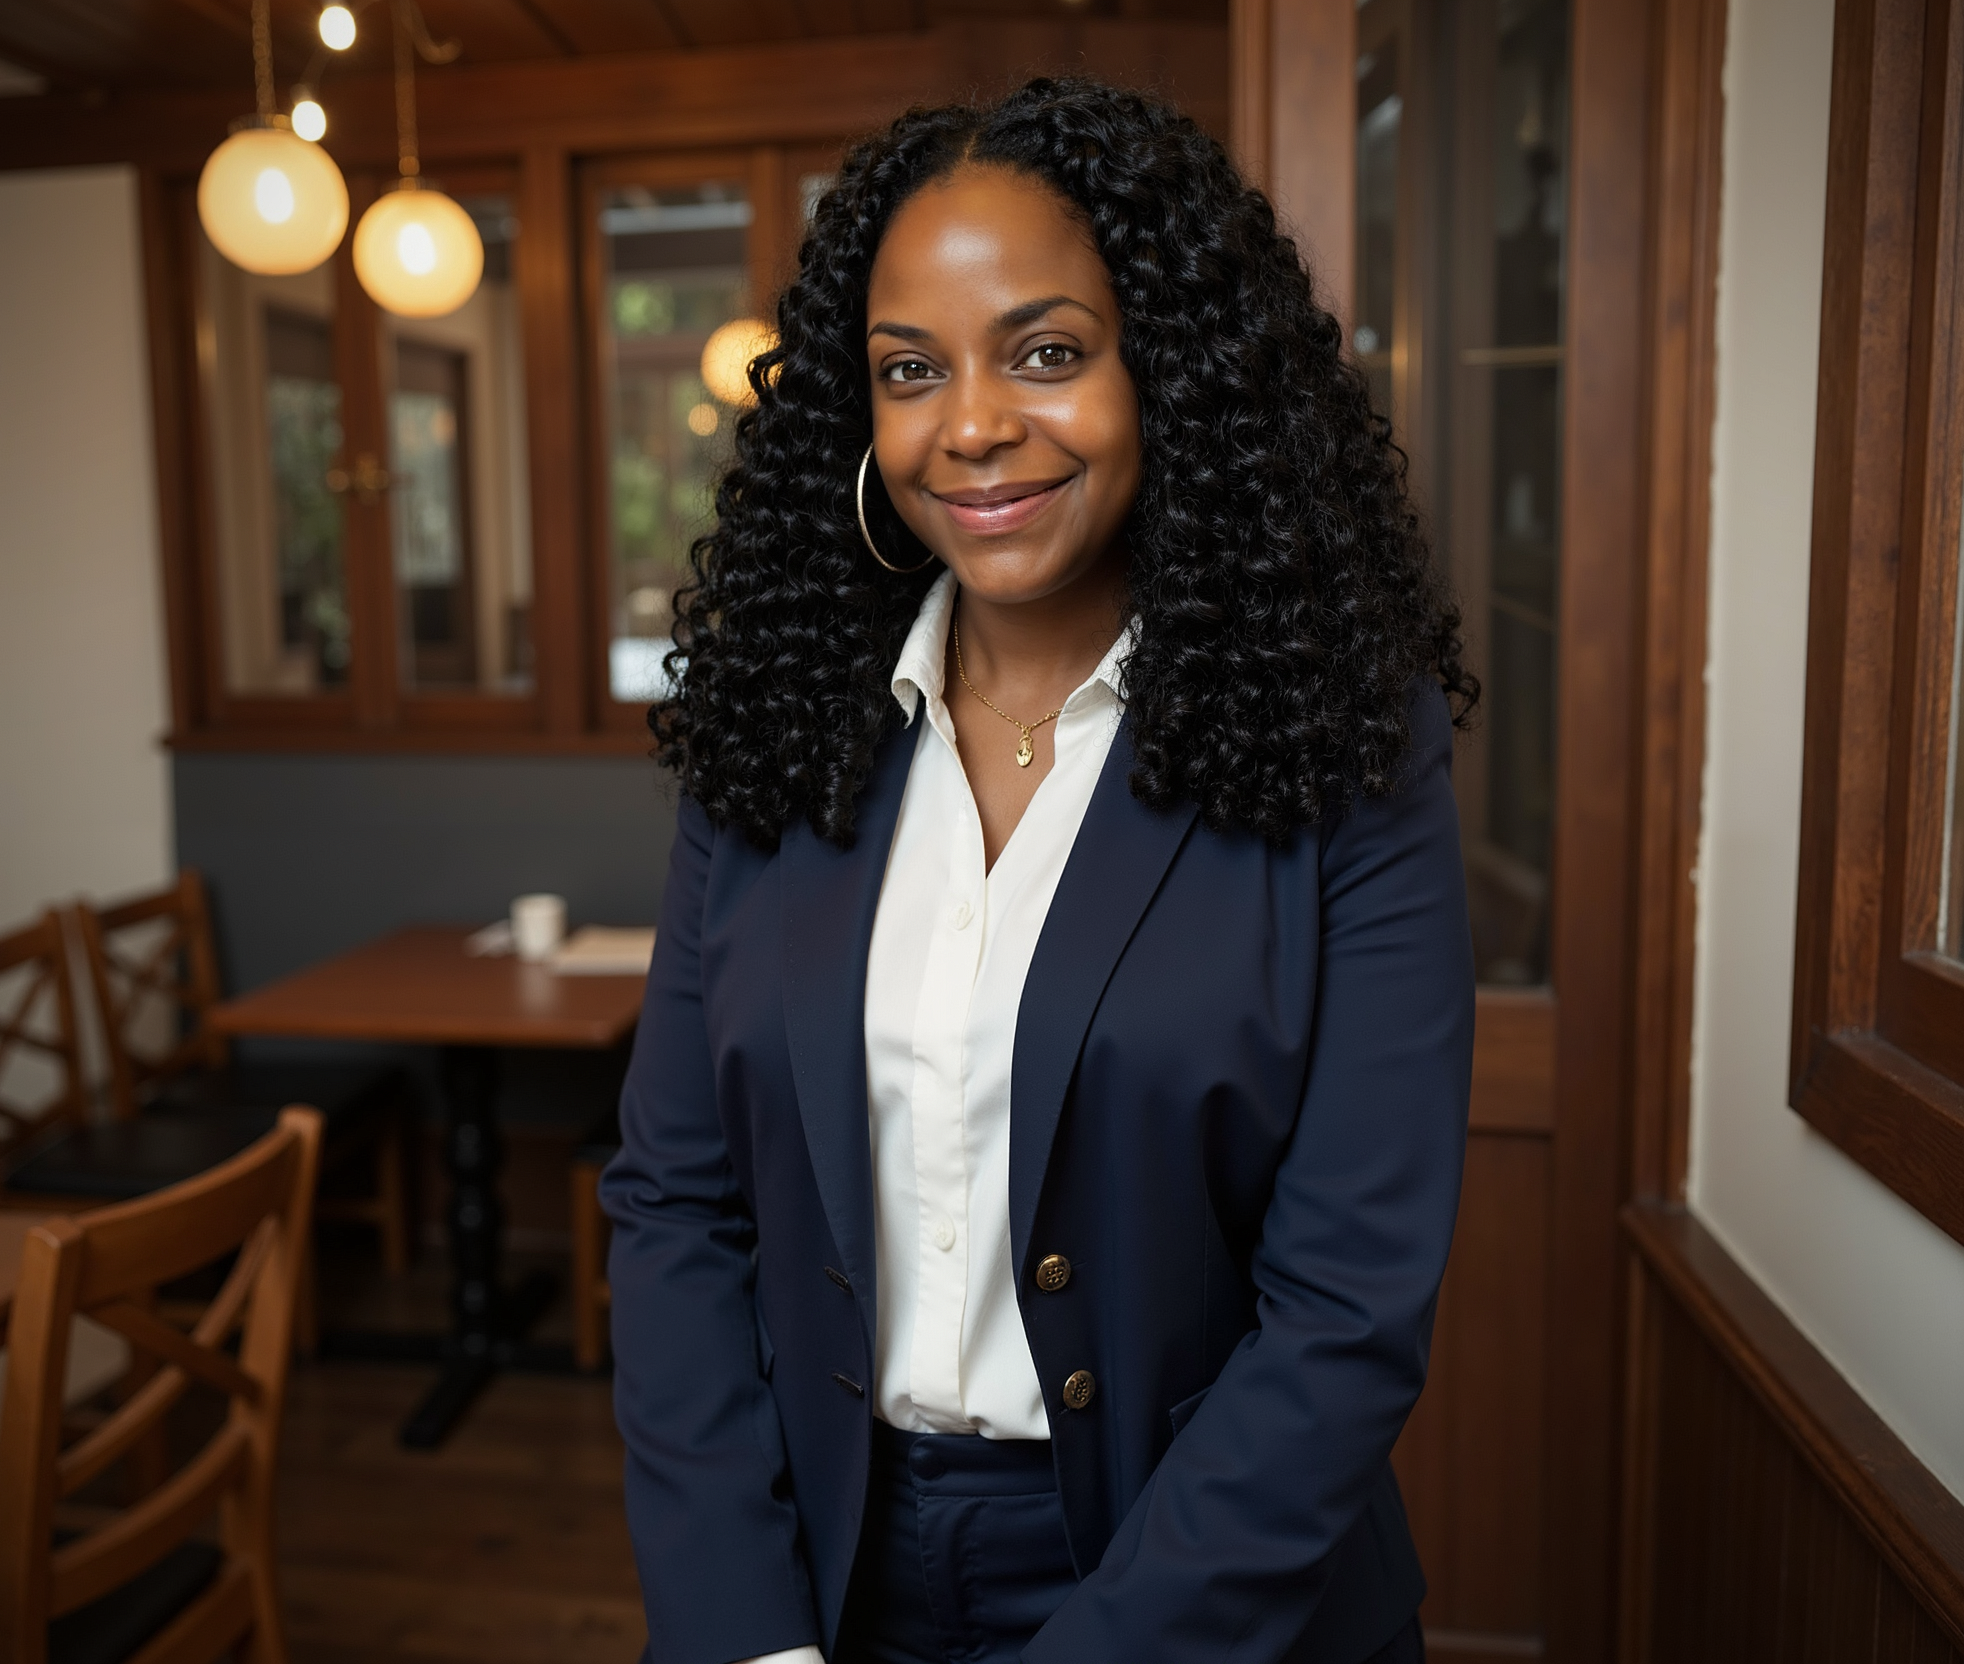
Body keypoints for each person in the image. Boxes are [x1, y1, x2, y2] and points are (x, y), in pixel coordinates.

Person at [602, 76, 1477, 1664]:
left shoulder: (1351, 746)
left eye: (1049, 352)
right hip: (823, 1570)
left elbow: (1348, 1308)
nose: (974, 424)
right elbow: (675, 1203)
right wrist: (746, 1630)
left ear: (1174, 377)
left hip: (1208, 1593)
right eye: (910, 371)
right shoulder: (775, 735)